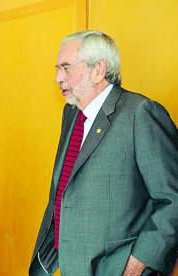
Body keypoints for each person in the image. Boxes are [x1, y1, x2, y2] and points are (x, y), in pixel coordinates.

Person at [29, 30, 178, 276]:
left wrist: (139, 262)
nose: (57, 78)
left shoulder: (140, 113)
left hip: (114, 268)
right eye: (58, 68)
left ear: (98, 70)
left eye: (66, 68)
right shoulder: (71, 114)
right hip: (61, 262)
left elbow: (173, 199)